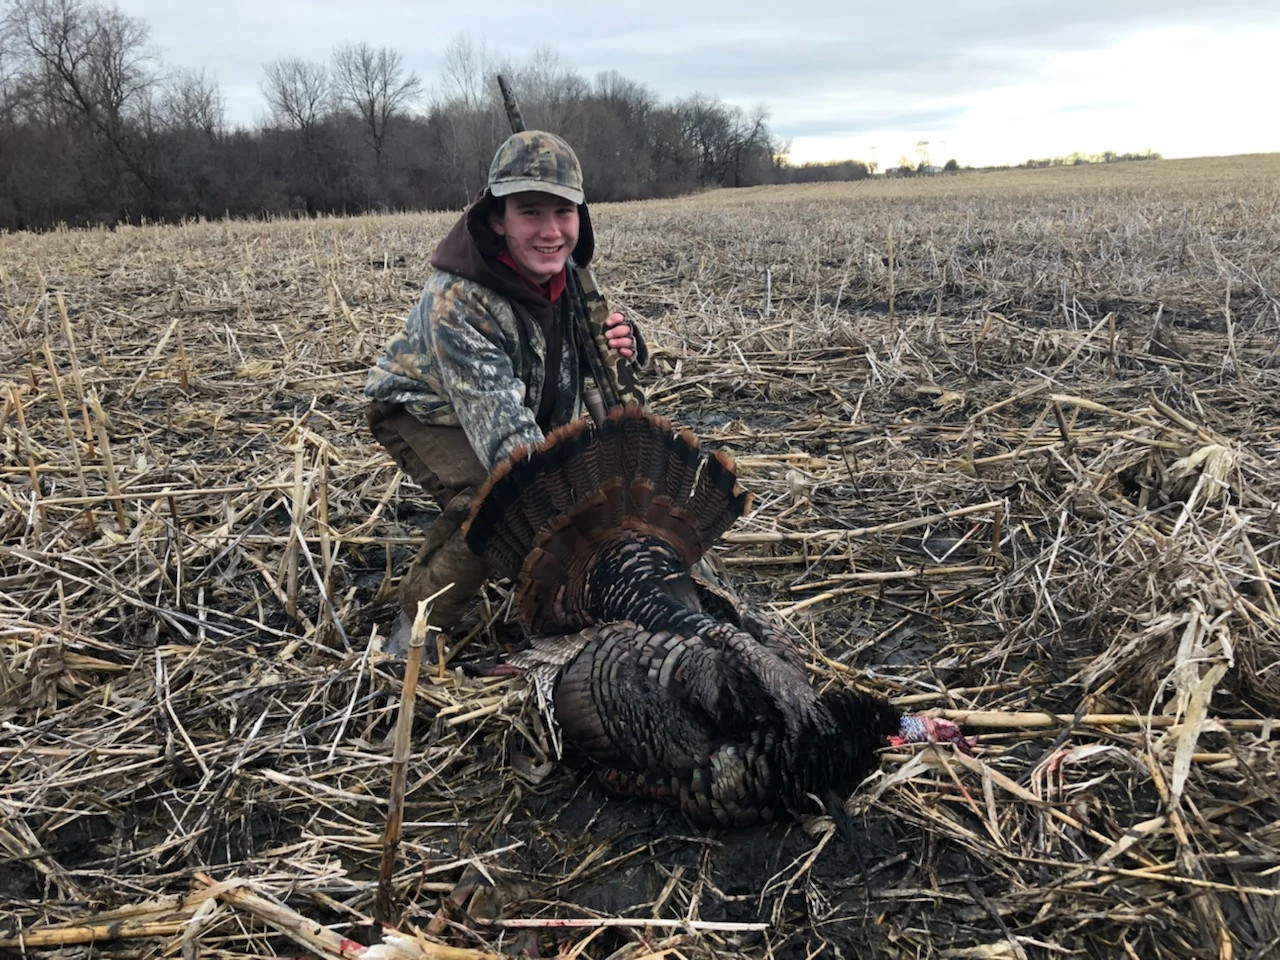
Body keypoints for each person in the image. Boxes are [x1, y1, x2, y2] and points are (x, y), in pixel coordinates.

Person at [365, 130, 647, 651]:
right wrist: (577, 533)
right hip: (425, 409)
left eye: (564, 213)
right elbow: (508, 444)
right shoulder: (458, 300)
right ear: (497, 219)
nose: (550, 231)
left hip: (514, 399)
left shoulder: (572, 278)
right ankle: (415, 629)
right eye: (530, 212)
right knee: (494, 500)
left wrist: (626, 342)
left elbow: (595, 372)